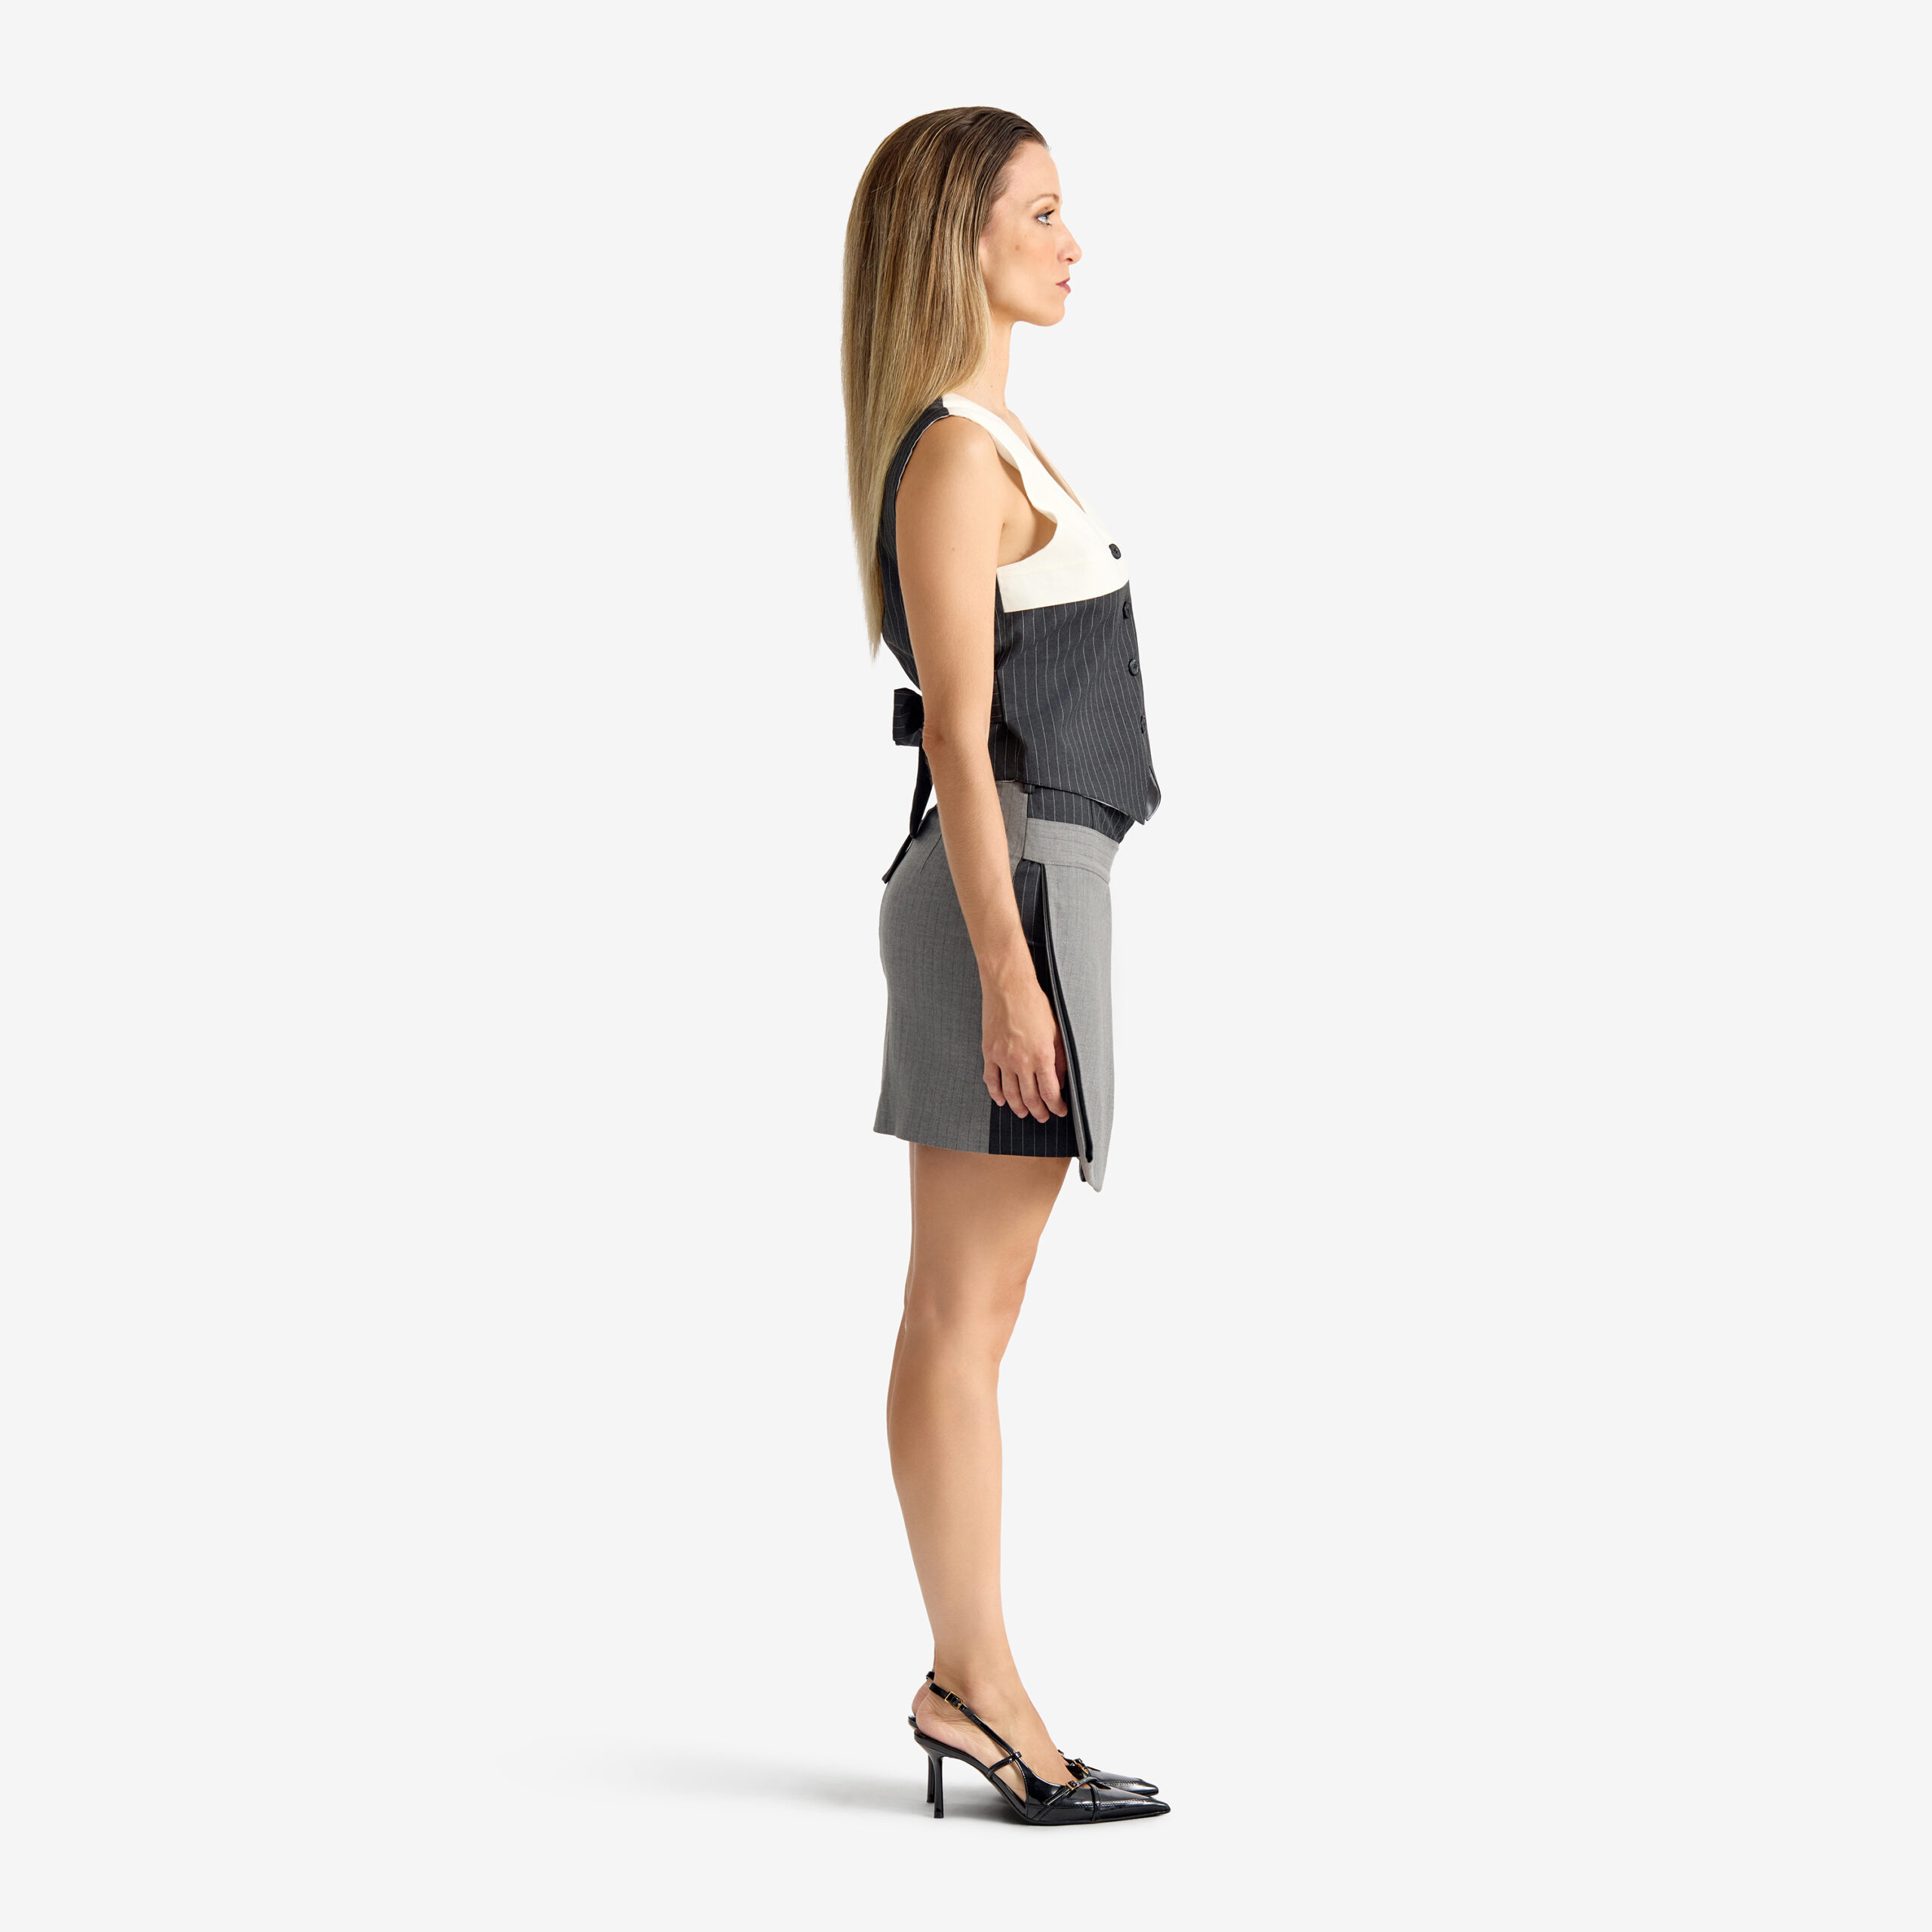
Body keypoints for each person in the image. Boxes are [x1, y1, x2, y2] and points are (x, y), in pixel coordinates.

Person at [842, 107, 1170, 1826]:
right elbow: (963, 745)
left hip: (1042, 885)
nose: (1070, 242)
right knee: (959, 1318)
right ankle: (978, 1686)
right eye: (1039, 212)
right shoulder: (956, 459)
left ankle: (971, 1677)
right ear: (956, 242)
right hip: (1008, 891)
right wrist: (1010, 971)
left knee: (976, 1314)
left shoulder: (997, 441)